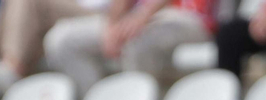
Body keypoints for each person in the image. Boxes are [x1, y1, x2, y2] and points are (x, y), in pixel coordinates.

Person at [43, 0, 216, 93]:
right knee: (61, 40)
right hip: (141, 18)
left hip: (190, 16)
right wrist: (112, 26)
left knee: (137, 39)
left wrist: (140, 18)